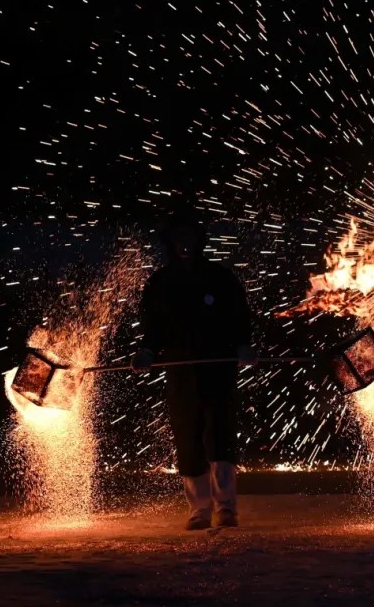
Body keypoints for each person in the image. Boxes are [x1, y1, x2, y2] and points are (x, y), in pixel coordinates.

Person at [133, 207, 257, 530]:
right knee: (188, 437)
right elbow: (153, 326)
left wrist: (243, 344)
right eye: (178, 238)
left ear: (199, 241)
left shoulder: (220, 278)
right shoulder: (160, 283)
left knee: (220, 434)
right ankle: (199, 509)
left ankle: (226, 507)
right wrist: (147, 351)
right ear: (171, 243)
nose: (184, 243)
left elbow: (239, 316)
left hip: (218, 366)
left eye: (189, 237)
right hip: (181, 369)